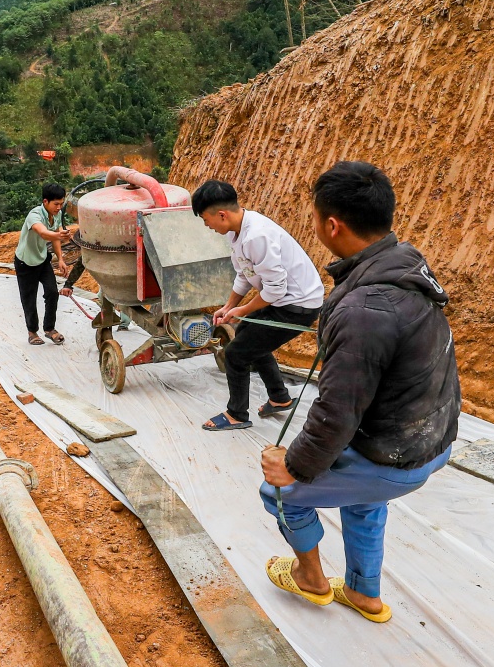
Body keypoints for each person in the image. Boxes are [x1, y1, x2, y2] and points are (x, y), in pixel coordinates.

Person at [259, 161, 459, 625]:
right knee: (363, 496)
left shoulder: (364, 308)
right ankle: (363, 593)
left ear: (333, 224)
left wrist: (292, 466)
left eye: (314, 218)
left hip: (395, 455)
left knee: (278, 491)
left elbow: (336, 412)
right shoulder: (407, 268)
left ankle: (311, 579)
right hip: (429, 441)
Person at [193, 179, 325, 432]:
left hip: (298, 305)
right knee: (246, 336)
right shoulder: (238, 231)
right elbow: (245, 273)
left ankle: (237, 414)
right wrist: (228, 306)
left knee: (236, 353)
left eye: (205, 219)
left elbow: (276, 289)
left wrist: (241, 311)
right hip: (284, 299)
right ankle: (280, 396)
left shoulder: (257, 236)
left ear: (222, 214)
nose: (206, 225)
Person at [15, 182, 72, 345]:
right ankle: (32, 332)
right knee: (29, 298)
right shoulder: (35, 215)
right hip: (25, 262)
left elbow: (56, 236)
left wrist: (60, 258)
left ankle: (49, 329)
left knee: (53, 292)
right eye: (56, 204)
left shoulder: (57, 214)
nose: (58, 207)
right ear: (45, 202)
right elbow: (44, 233)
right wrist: (59, 235)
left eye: (61, 204)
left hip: (42, 259)